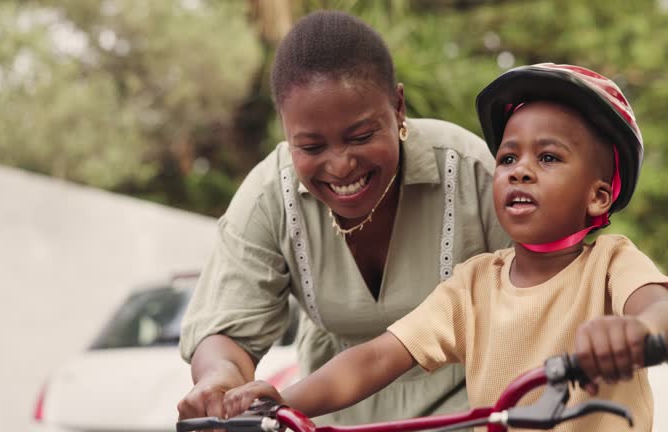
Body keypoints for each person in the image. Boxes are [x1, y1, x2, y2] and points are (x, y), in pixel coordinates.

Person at [219, 64, 668, 432]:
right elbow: (376, 358)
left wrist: (636, 332)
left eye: (548, 157)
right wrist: (285, 400)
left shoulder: (611, 263)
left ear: (598, 196)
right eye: (508, 157)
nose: (520, 170)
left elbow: (666, 316)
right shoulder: (472, 285)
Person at [176, 10, 509, 426]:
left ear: (399, 107)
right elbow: (228, 329)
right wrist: (221, 378)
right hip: (326, 416)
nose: (341, 165)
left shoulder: (474, 173)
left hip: (469, 415)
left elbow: (540, 304)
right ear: (285, 129)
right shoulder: (268, 196)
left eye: (361, 136)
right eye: (311, 147)